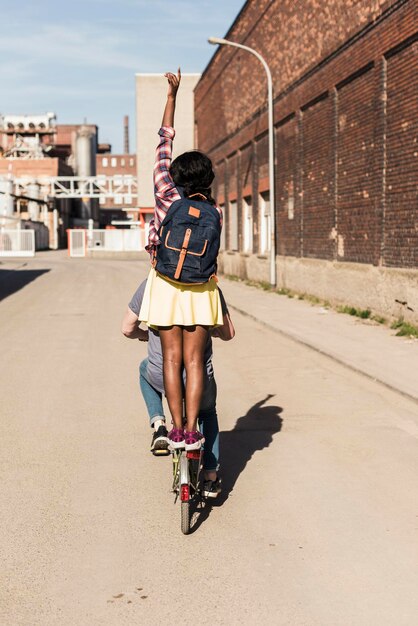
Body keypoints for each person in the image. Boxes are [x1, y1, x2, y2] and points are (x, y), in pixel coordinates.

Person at [138, 68, 223, 451]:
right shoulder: (215, 211)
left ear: (176, 176)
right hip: (201, 289)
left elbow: (163, 142)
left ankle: (175, 430)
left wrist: (172, 96)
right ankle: (194, 431)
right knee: (194, 362)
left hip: (165, 285)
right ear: (207, 179)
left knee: (170, 360)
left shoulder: (165, 193)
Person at [122, 279, 235, 497]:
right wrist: (206, 332)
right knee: (208, 413)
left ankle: (160, 426)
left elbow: (127, 328)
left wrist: (146, 335)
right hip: (200, 379)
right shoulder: (209, 287)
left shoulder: (151, 284)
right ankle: (211, 477)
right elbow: (228, 333)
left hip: (162, 374)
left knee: (144, 370)